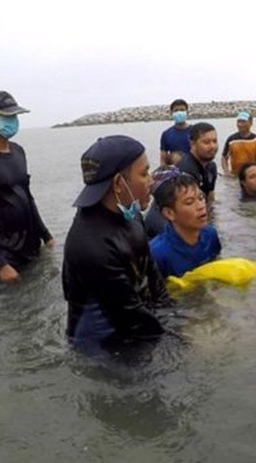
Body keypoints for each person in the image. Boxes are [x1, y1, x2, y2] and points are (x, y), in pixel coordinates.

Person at [62, 135, 173, 354]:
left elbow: (152, 275)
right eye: (144, 173)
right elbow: (129, 316)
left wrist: (176, 314)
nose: (151, 181)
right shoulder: (91, 246)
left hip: (136, 320)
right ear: (118, 184)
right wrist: (182, 340)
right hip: (103, 345)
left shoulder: (131, 214)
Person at [0, 90, 54, 283]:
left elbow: (27, 196)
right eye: (7, 116)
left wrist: (46, 235)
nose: (13, 120)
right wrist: (1, 263)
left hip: (31, 245)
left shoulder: (19, 152)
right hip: (4, 253)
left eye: (15, 116)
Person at [149, 167, 221, 278]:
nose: (201, 206)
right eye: (189, 202)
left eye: (201, 198)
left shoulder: (211, 235)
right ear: (169, 213)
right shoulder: (157, 254)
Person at [176, 122, 218, 203]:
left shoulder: (211, 167)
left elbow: (210, 199)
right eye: (206, 142)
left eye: (214, 141)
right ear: (192, 144)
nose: (212, 146)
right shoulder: (186, 171)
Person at [221, 111, 256, 176]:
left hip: (252, 174)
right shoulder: (231, 139)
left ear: (251, 123)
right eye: (238, 121)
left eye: (243, 122)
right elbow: (224, 157)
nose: (240, 124)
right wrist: (226, 171)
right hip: (235, 174)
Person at [159, 98, 191, 166]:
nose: (179, 113)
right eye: (176, 110)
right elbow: (163, 159)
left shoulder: (195, 131)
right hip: (174, 170)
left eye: (182, 110)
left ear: (187, 112)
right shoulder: (166, 134)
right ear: (171, 113)